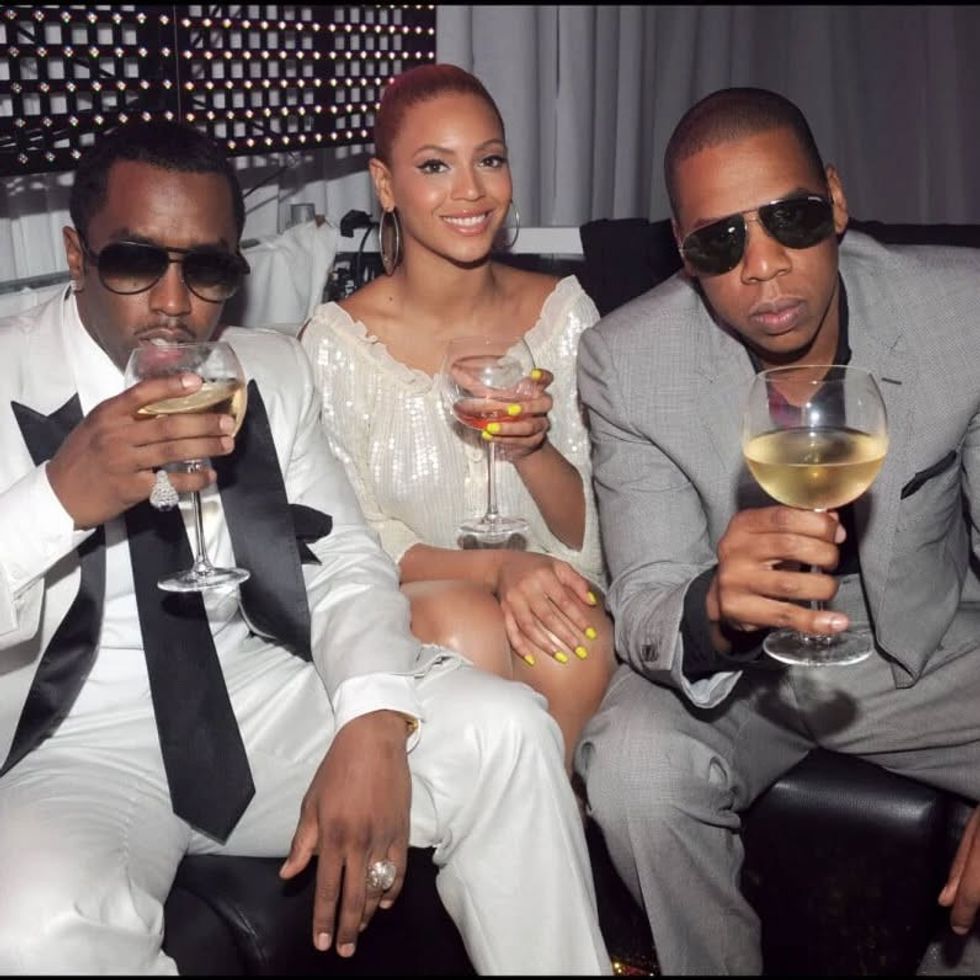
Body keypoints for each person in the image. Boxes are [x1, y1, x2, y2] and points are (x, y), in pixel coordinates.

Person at [0, 117, 612, 974]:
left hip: (263, 701)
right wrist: (59, 498)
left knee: (508, 732)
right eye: (135, 261)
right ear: (77, 255)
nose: (174, 302)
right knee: (31, 927)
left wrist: (370, 719)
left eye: (208, 268)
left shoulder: (266, 371)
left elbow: (347, 562)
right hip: (77, 745)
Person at [574, 86, 980, 974]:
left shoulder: (963, 312)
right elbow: (646, 596)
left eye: (791, 218)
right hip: (745, 677)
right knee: (634, 769)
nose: (762, 266)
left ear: (834, 200)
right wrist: (717, 608)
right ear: (685, 255)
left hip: (930, 653)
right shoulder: (626, 362)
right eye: (720, 242)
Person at [299, 63, 614, 773]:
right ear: (386, 186)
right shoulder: (339, 345)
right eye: (435, 166)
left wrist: (531, 448)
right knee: (469, 626)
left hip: (554, 585)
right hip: (409, 603)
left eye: (489, 160)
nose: (470, 190)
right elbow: (355, 541)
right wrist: (497, 567)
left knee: (574, 643)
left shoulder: (565, 315)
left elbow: (590, 533)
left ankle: (558, 813)